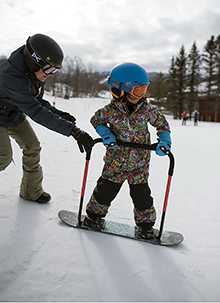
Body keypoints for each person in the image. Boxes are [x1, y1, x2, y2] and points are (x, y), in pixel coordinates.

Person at [0, 34, 94, 203]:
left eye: (55, 71)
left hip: (12, 113)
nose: (50, 75)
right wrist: (72, 130)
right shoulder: (10, 75)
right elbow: (34, 110)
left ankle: (31, 191)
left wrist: (59, 114)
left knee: (32, 147)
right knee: (3, 156)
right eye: (49, 70)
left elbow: (37, 100)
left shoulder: (34, 73)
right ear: (34, 61)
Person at [83, 62, 171, 239]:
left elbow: (162, 124)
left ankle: (145, 226)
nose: (141, 95)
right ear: (119, 89)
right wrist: (105, 133)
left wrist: (165, 140)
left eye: (143, 90)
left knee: (142, 197)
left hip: (139, 164)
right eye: (137, 91)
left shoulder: (147, 110)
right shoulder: (109, 111)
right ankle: (94, 217)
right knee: (104, 191)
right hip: (115, 163)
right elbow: (96, 119)